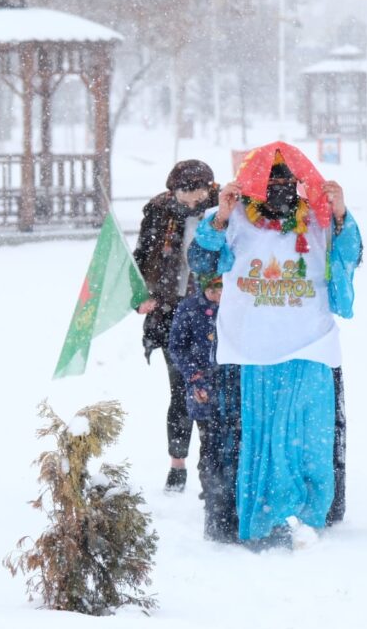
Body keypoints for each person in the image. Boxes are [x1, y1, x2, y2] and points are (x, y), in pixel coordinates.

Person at [193, 141, 362, 548]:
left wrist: (340, 213)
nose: (281, 190)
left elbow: (349, 257)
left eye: (288, 182)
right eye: (272, 183)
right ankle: (253, 515)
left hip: (310, 348)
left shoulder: (319, 221)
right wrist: (221, 214)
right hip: (248, 353)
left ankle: (309, 514)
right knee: (251, 441)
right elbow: (200, 262)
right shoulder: (233, 220)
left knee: (309, 441)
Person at [132, 159, 220, 493]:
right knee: (181, 389)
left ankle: (212, 464)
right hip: (171, 310)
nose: (187, 200)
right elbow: (142, 257)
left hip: (214, 311)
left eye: (192, 192)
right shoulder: (159, 211)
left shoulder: (223, 209)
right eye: (181, 193)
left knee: (215, 389)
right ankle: (178, 463)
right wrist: (141, 296)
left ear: (207, 188)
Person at [168, 272, 241, 542]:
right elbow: (177, 347)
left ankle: (230, 496)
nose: (219, 296)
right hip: (203, 392)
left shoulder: (236, 306)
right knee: (209, 445)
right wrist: (195, 376)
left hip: (232, 390)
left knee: (232, 445)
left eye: (223, 290)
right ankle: (210, 490)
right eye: (213, 291)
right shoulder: (189, 309)